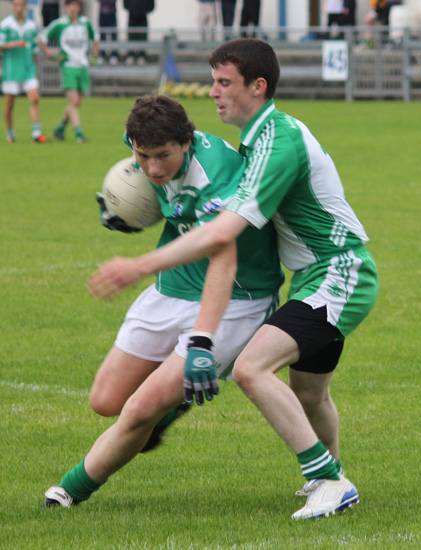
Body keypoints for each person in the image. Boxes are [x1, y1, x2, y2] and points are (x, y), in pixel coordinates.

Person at [87, 39, 379, 521]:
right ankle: (325, 478)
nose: (214, 92)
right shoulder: (259, 137)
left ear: (257, 86)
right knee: (310, 394)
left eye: (224, 83)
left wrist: (138, 265)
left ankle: (330, 479)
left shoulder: (277, 140)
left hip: (339, 271)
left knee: (250, 368)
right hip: (313, 277)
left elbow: (223, 232)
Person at [40, 94, 284, 508]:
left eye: (163, 156)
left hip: (236, 296)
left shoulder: (216, 175)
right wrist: (127, 213)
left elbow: (222, 259)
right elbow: (154, 191)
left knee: (138, 412)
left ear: (186, 141)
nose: (152, 168)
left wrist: (202, 343)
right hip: (173, 284)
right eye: (143, 155)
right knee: (106, 402)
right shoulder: (142, 141)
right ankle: (175, 401)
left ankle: (67, 492)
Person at [38, 0, 100, 143]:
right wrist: (49, 53)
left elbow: (96, 38)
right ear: (65, 7)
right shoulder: (60, 24)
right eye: (69, 5)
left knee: (76, 103)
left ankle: (60, 128)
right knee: (74, 101)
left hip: (83, 65)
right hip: (68, 66)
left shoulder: (85, 23)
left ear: (79, 8)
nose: (72, 9)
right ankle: (79, 134)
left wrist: (94, 54)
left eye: (75, 6)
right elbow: (42, 38)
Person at [0, 0, 49, 143]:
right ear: (13, 7)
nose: (19, 8)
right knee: (10, 104)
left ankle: (36, 133)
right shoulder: (6, 25)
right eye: (16, 5)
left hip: (28, 69)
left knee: (34, 98)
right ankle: (10, 133)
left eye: (21, 5)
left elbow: (34, 48)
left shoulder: (31, 26)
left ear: (25, 7)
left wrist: (35, 65)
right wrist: (16, 43)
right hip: (12, 70)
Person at [124, 0, 154, 66]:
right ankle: (131, 54)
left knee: (142, 35)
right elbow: (125, 3)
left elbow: (151, 4)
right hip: (132, 15)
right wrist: (130, 8)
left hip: (143, 15)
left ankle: (141, 55)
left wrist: (145, 10)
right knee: (131, 35)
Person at [97, 0, 118, 65]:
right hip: (102, 13)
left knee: (113, 35)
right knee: (102, 35)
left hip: (111, 13)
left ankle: (114, 55)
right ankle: (102, 54)